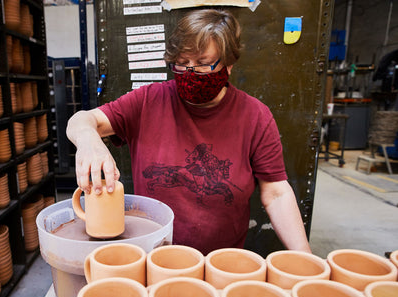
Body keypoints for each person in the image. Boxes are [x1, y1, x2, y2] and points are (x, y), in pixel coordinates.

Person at [66, 9, 312, 255]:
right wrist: (89, 140)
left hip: (220, 263)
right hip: (154, 259)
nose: (190, 73)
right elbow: (81, 120)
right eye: (182, 64)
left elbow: (277, 193)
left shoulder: (255, 117)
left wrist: (305, 257)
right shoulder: (148, 101)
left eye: (203, 64)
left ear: (228, 64)